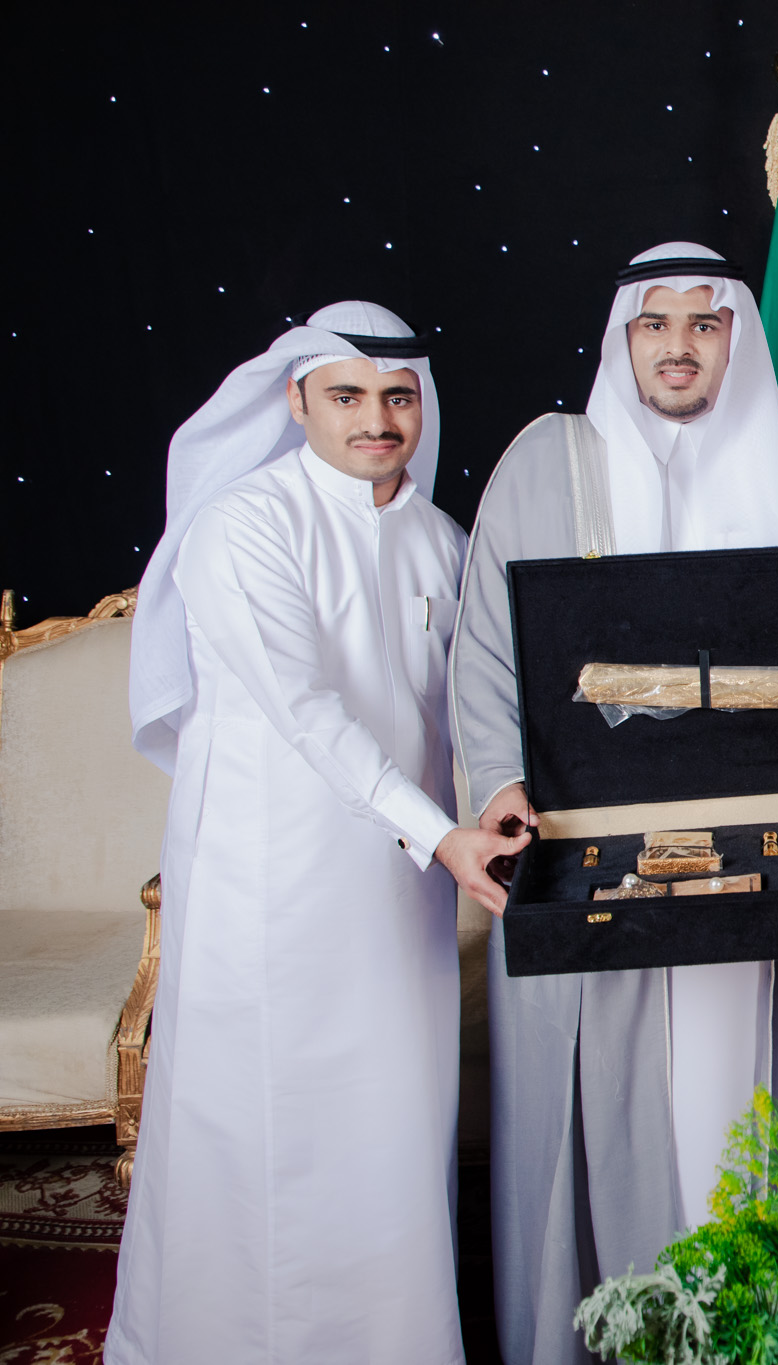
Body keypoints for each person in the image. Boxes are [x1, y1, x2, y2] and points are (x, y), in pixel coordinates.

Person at [451, 243, 778, 1365]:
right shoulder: (548, 462)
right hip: (597, 852)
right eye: (656, 324)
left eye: (704, 323)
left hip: (771, 855)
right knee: (613, 1116)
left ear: (737, 336)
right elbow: (485, 652)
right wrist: (498, 785)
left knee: (756, 1105)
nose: (679, 348)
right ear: (623, 338)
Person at [113, 303, 504, 1364]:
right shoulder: (242, 524)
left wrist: (490, 806)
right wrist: (442, 836)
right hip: (269, 888)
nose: (377, 418)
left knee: (389, 1131)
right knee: (261, 1134)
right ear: (296, 401)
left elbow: (472, 706)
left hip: (401, 895)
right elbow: (304, 711)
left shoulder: (439, 539)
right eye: (347, 396)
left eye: (398, 396)